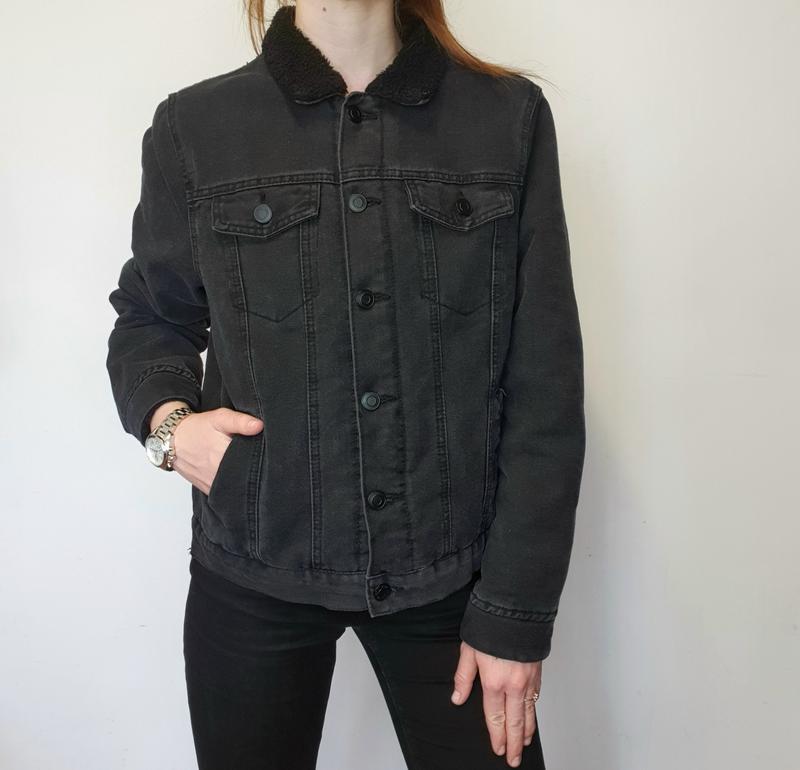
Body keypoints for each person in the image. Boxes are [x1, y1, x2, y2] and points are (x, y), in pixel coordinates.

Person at [105, 1, 586, 767]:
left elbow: (545, 378)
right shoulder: (196, 127)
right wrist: (171, 426)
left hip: (453, 576)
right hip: (255, 563)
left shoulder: (506, 118)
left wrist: (514, 614)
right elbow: (151, 317)